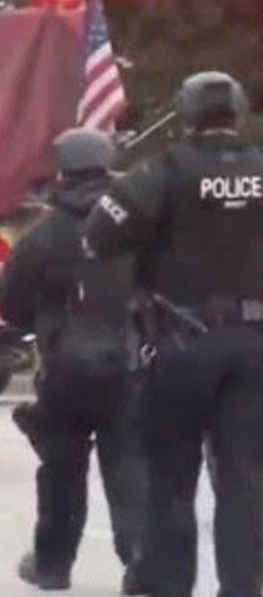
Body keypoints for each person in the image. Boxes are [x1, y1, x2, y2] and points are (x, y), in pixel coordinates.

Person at [83, 71, 263, 597]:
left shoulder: (161, 172)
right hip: (254, 344)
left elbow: (99, 238)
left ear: (185, 115)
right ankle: (243, 587)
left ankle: (171, 586)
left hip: (182, 342)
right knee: (245, 476)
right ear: (239, 112)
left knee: (171, 478)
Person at [0, 127, 148, 593]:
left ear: (62, 171)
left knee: (61, 471)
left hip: (65, 367)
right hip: (128, 361)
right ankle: (140, 562)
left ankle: (52, 565)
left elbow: (9, 302)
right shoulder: (139, 227)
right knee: (130, 466)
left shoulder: (45, 234)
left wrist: (44, 322)